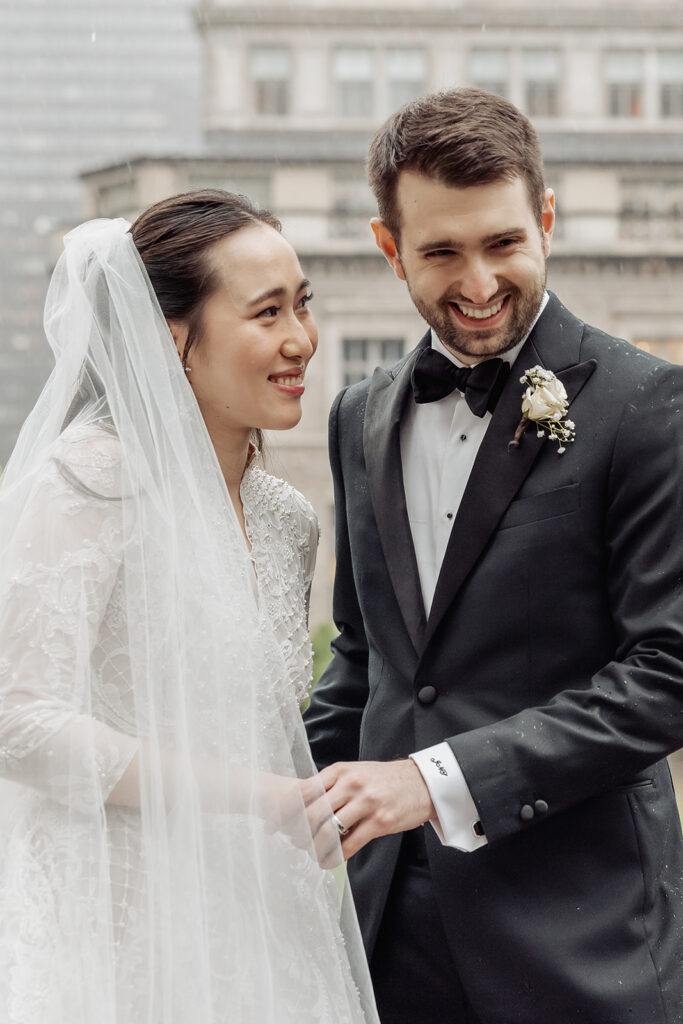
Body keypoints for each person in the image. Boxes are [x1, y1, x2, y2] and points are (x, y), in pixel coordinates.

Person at [304, 89, 683, 1023]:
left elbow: (666, 672)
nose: (476, 282)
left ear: (545, 220)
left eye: (502, 243)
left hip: (580, 935)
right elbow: (366, 660)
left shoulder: (649, 406)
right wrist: (266, 804)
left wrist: (434, 783)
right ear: (388, 247)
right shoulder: (358, 414)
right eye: (439, 252)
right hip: (385, 928)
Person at [0, 190, 378, 1023]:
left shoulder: (288, 519)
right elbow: (19, 720)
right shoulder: (92, 479)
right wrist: (260, 797)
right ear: (171, 338)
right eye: (266, 312)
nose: (300, 341)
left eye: (303, 305)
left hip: (265, 927)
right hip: (115, 933)